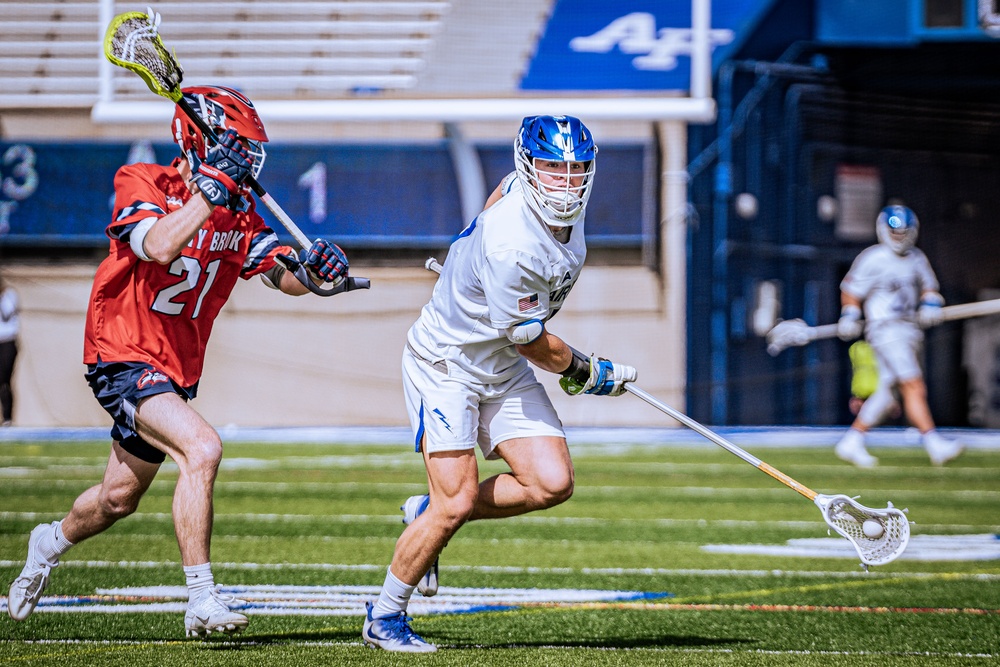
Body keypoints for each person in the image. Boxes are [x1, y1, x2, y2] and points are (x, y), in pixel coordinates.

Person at [7, 86, 353, 637]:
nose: (248, 161)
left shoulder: (238, 214)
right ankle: (201, 600)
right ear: (202, 143)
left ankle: (47, 544)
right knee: (203, 446)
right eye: (237, 148)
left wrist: (319, 278)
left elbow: (280, 273)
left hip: (174, 369)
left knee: (118, 499)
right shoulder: (145, 181)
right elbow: (158, 245)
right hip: (120, 351)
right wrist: (207, 196)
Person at [362, 115, 637, 653]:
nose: (566, 181)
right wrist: (588, 371)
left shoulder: (526, 195)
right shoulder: (514, 246)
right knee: (456, 501)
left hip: (499, 361)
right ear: (529, 167)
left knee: (551, 482)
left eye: (577, 169)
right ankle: (385, 615)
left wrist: (467, 262)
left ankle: (424, 512)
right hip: (448, 364)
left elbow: (496, 197)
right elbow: (533, 344)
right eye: (553, 169)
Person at [834, 204, 963, 468]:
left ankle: (851, 440)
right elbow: (850, 289)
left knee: (886, 394)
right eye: (895, 232)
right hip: (885, 332)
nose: (899, 238)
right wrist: (849, 313)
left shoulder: (917, 258)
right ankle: (933, 442)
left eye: (904, 233)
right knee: (913, 386)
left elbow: (929, 288)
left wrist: (931, 304)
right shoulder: (873, 258)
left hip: (909, 331)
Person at [0, 274, 19, 426]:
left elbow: (7, 314)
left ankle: (8, 418)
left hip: (7, 341)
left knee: (4, 379)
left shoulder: (9, 295)